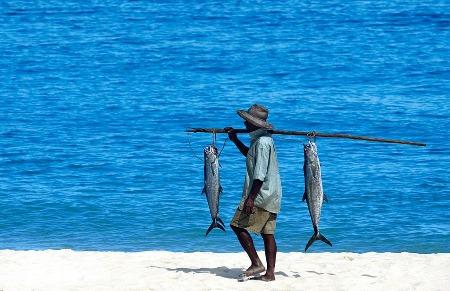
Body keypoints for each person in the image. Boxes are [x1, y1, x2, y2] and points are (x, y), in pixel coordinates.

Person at [225, 104, 282, 282]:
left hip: (261, 194)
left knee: (236, 225)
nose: (244, 123)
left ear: (256, 125)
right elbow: (250, 155)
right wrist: (234, 140)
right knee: (267, 233)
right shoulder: (260, 140)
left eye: (248, 121)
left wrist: (250, 198)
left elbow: (259, 175)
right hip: (272, 194)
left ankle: (256, 263)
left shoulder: (263, 143)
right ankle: (270, 274)